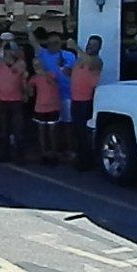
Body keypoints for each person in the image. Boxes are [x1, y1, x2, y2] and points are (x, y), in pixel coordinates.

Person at [27, 28, 76, 154]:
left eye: (55, 43)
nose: (52, 45)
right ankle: (52, 150)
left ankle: (69, 149)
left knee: (67, 124)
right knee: (50, 127)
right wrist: (28, 28)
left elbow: (72, 74)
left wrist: (62, 66)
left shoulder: (68, 56)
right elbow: (34, 43)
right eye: (49, 43)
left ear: (60, 44)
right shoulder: (42, 54)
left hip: (66, 95)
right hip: (48, 97)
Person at [69, 35, 104, 170]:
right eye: (89, 43)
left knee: (84, 133)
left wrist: (75, 47)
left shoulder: (97, 61)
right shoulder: (79, 60)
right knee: (77, 131)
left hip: (86, 101)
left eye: (94, 44)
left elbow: (89, 63)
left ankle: (87, 161)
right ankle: (79, 158)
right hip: (75, 99)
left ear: (99, 48)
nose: (90, 46)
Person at [0, 45, 28, 162]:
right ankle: (5, 154)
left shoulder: (20, 63)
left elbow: (23, 79)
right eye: (6, 49)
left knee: (18, 129)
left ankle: (20, 156)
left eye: (10, 49)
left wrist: (25, 92)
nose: (8, 52)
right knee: (4, 129)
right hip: (2, 100)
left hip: (16, 100)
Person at [28, 58, 61, 165]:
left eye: (38, 64)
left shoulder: (51, 74)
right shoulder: (34, 78)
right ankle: (44, 155)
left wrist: (44, 75)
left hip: (53, 107)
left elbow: (56, 85)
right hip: (40, 108)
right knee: (41, 132)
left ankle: (54, 155)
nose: (36, 66)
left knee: (53, 133)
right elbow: (29, 92)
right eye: (34, 64)